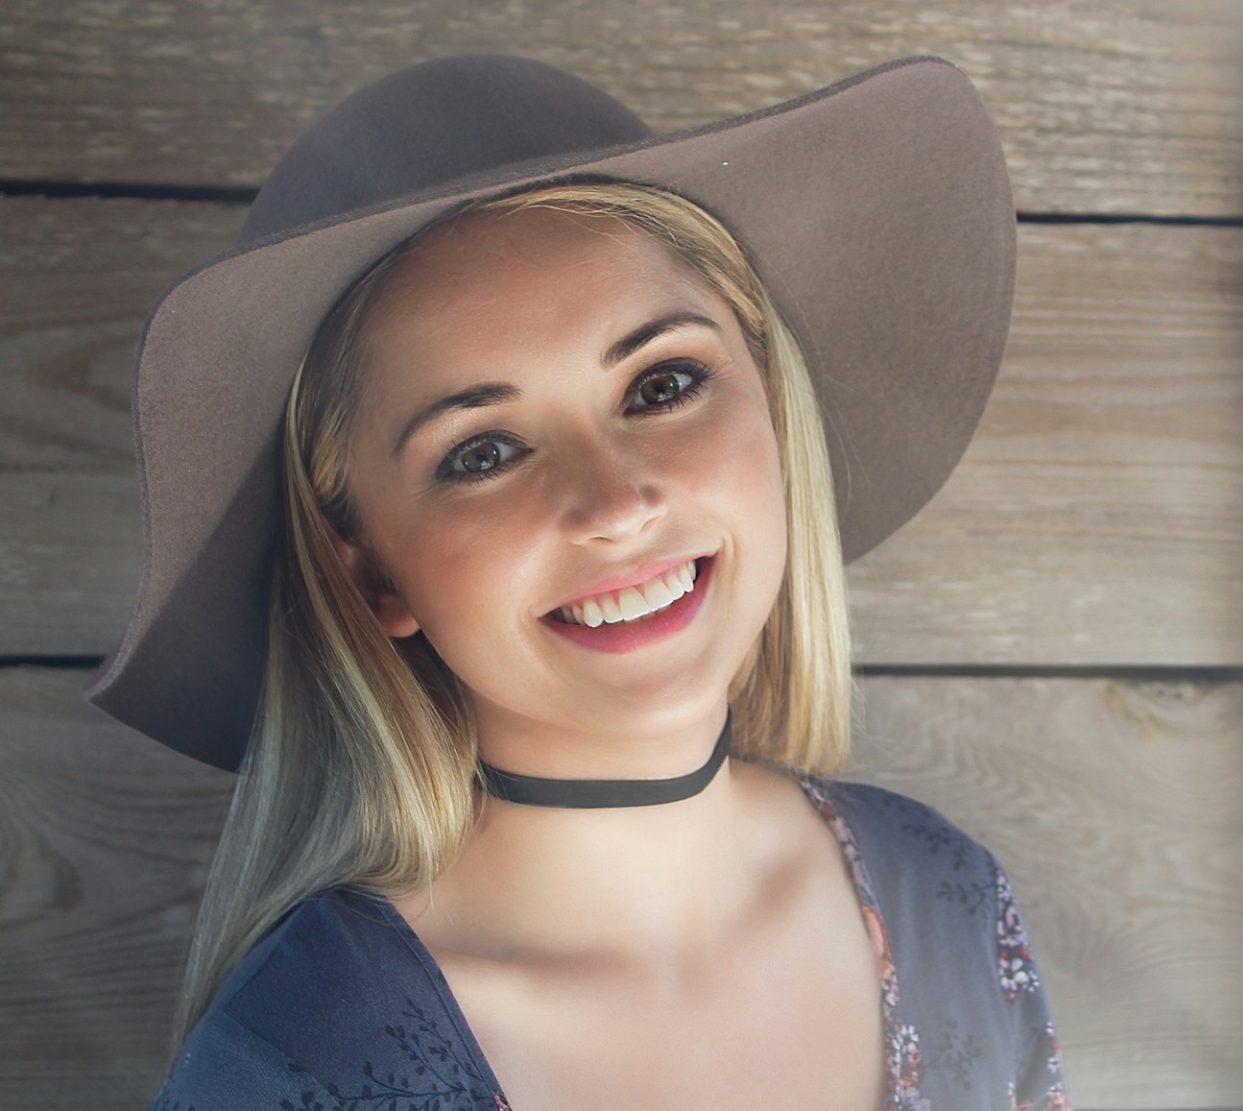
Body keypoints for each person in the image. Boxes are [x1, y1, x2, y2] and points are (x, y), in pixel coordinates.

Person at [86, 52, 1072, 1111]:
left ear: (775, 414)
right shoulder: (297, 1063)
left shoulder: (951, 900)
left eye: (662, 383)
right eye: (481, 453)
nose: (614, 505)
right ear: (368, 567)